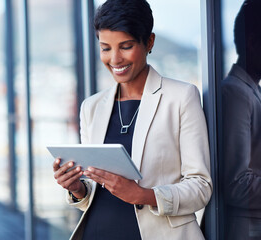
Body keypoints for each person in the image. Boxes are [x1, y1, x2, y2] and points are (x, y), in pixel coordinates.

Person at [53, 0, 212, 239]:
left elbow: (201, 187)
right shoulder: (91, 107)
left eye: (125, 46)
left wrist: (143, 195)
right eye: (105, 48)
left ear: (149, 42)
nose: (115, 59)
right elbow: (94, 193)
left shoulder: (181, 97)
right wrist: (77, 189)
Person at [221, 0, 261, 239]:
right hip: (246, 230)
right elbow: (236, 184)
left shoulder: (248, 90)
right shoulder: (235, 93)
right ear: (254, 43)